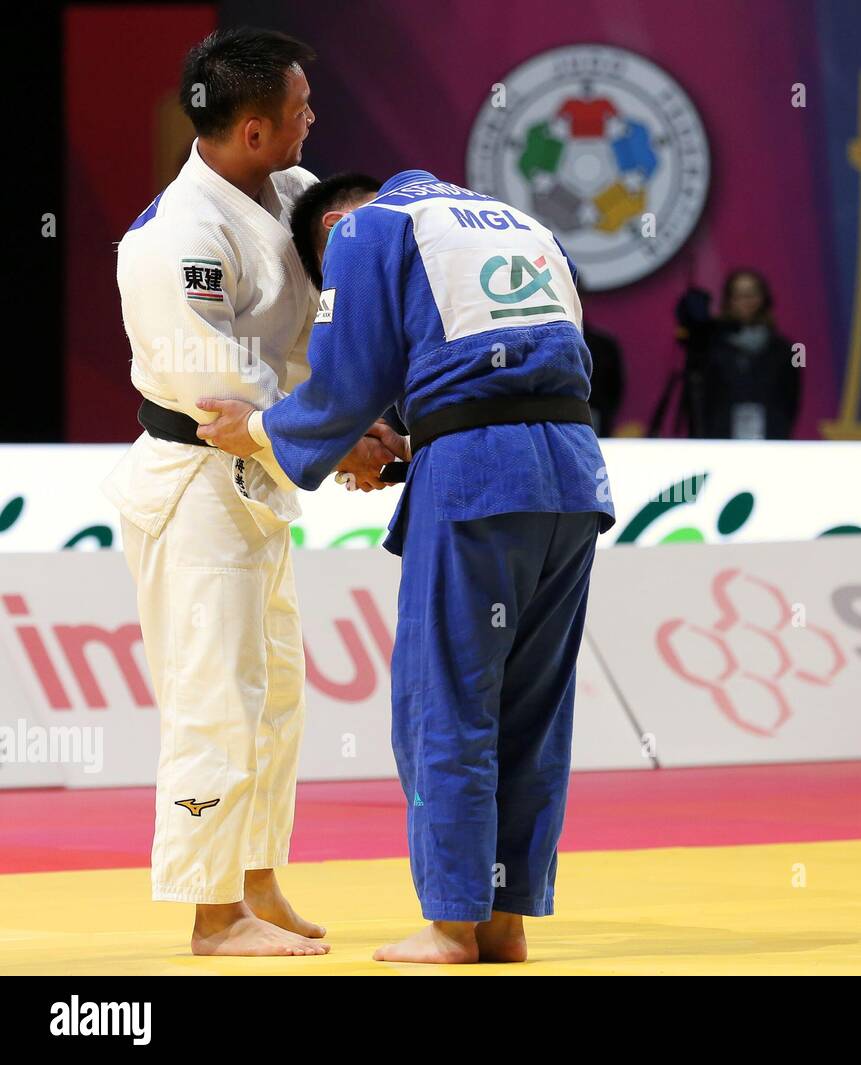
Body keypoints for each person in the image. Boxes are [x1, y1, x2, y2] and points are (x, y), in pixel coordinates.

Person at [196, 170, 616, 964]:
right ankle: (505, 918)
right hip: (571, 472)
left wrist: (258, 427)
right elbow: (520, 374)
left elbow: (343, 385)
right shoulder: (522, 223)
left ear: (331, 231)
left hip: (478, 483)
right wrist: (417, 444)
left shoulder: (363, 233)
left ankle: (452, 922)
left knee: (446, 701)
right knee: (532, 709)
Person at [101, 28, 400, 958]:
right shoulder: (172, 240)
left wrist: (366, 420)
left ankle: (258, 882)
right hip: (195, 480)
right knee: (213, 699)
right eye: (303, 108)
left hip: (262, 479)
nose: (317, 117)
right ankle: (211, 911)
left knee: (273, 699)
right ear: (257, 129)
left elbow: (325, 329)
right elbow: (221, 388)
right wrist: (340, 440)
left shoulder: (296, 192)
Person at [676, 269, 800, 439]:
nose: (746, 301)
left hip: (770, 440)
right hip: (720, 440)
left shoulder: (787, 349)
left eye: (752, 294)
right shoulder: (711, 346)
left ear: (764, 298)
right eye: (739, 295)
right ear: (729, 300)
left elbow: (791, 399)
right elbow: (701, 399)